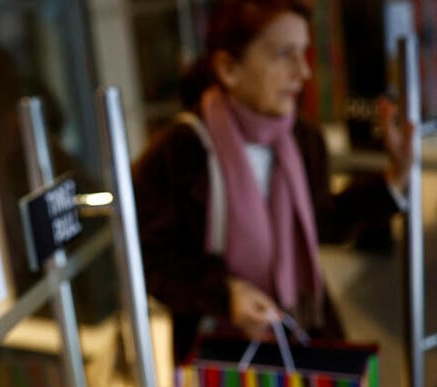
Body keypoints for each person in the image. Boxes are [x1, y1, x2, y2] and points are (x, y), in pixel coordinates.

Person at [133, 0, 413, 363]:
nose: (304, 72)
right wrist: (225, 296)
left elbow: (321, 221)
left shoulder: (303, 138)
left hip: (302, 335)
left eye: (305, 53)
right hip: (220, 353)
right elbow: (152, 260)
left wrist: (395, 176)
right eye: (284, 54)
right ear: (228, 68)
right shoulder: (180, 151)